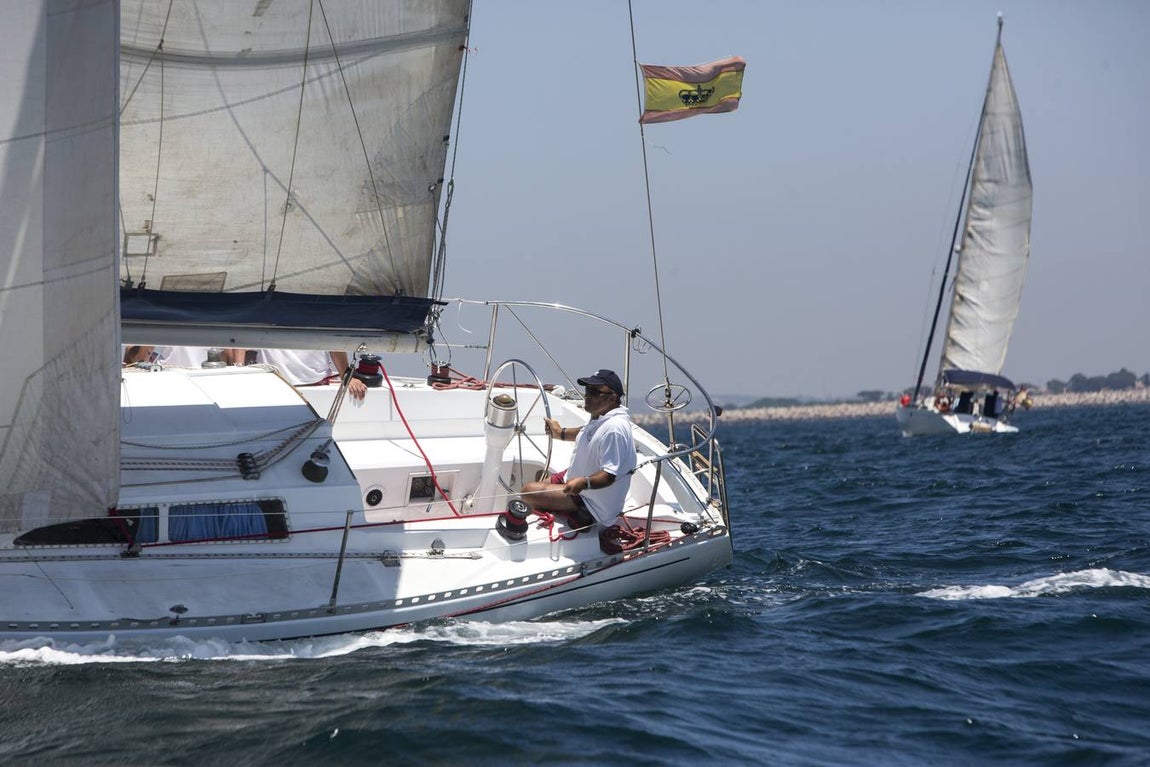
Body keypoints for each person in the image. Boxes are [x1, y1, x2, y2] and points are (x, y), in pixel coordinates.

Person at [518, 369, 636, 530]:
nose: (588, 395)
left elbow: (609, 475)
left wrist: (584, 482)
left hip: (591, 501)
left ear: (613, 397)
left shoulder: (614, 429)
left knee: (527, 492)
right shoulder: (602, 418)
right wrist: (560, 433)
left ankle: (579, 514)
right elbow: (587, 431)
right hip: (574, 479)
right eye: (587, 390)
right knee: (539, 477)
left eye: (595, 392)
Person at [251, 349, 366, 400]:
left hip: (316, 383)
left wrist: (347, 377)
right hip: (269, 386)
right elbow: (239, 343)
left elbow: (335, 341)